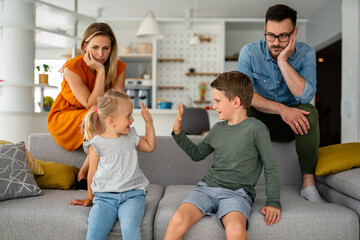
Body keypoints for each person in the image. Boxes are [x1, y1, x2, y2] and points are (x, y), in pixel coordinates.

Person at [164, 71, 281, 240]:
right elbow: (197, 154)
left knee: (235, 229)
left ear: (236, 102)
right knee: (178, 219)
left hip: (238, 194)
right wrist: (178, 133)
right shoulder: (218, 129)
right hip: (206, 189)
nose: (213, 106)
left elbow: (271, 167)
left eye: (217, 101)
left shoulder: (256, 128)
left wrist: (273, 203)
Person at [237, 4, 323, 203]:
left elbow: (305, 97)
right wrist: (283, 109)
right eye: (271, 35)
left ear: (294, 33)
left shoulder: (306, 53)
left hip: (291, 124)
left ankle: (308, 185)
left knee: (309, 111)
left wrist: (283, 61)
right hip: (261, 119)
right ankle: (242, 183)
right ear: (265, 31)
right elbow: (244, 94)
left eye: (283, 36)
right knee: (242, 108)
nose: (276, 42)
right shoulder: (249, 52)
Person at [47, 22, 126, 187]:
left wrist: (94, 111)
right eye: (95, 47)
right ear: (85, 45)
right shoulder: (72, 67)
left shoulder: (118, 67)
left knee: (113, 119)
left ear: (112, 48)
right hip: (66, 115)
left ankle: (84, 173)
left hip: (97, 114)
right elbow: (90, 102)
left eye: (106, 48)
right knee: (101, 118)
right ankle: (86, 175)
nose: (100, 54)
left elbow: (118, 102)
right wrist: (101, 71)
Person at [70, 90, 156, 240]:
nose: (132, 120)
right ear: (111, 121)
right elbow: (92, 173)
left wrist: (149, 123)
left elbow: (149, 146)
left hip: (132, 196)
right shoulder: (96, 144)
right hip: (104, 198)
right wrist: (89, 198)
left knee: (130, 230)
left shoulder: (131, 136)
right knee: (94, 233)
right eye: (128, 116)